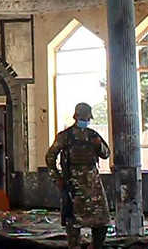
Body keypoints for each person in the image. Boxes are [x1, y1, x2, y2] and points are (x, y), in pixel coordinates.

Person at [45, 102, 111, 249]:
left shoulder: (93, 135)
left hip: (93, 186)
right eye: (84, 117)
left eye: (88, 118)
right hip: (73, 187)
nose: (86, 120)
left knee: (101, 222)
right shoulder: (65, 137)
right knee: (73, 224)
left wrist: (98, 144)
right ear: (76, 117)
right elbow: (50, 157)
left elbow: (106, 154)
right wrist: (58, 179)